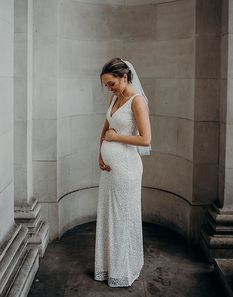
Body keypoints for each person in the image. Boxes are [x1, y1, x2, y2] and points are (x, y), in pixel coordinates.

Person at [94, 57, 152, 287]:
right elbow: (106, 126)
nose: (109, 88)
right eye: (106, 85)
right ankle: (109, 268)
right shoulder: (115, 98)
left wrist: (116, 138)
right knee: (110, 216)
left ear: (124, 77)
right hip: (110, 169)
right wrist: (100, 153)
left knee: (122, 218)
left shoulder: (137, 102)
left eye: (111, 83)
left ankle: (123, 270)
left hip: (127, 169)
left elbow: (146, 139)